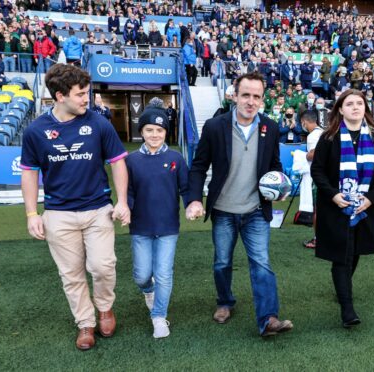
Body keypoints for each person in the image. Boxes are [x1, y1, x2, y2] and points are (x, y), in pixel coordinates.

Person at [20, 64, 130, 350]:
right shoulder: (35, 131)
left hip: (97, 210)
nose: (86, 99)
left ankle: (105, 307)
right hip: (58, 214)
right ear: (59, 96)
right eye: (80, 94)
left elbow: (118, 161)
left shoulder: (98, 123)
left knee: (103, 266)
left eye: (87, 92)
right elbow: (29, 172)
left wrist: (121, 201)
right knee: (71, 274)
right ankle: (85, 323)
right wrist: (32, 213)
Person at [185, 72, 293, 337]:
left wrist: (279, 185)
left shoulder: (271, 127)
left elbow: (274, 166)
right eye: (246, 95)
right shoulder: (214, 127)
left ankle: (268, 318)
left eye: (257, 96)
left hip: (255, 211)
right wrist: (195, 199)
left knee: (262, 263)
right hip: (223, 210)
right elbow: (199, 166)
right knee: (222, 262)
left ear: (262, 99)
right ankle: (225, 301)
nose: (251, 101)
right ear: (234, 95)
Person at [310, 89, 374, 328]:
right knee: (341, 256)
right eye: (349, 104)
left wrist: (371, 198)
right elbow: (318, 171)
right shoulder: (328, 137)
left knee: (354, 253)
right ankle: (347, 308)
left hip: (364, 207)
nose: (355, 107)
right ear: (340, 109)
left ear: (365, 108)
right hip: (335, 207)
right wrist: (334, 195)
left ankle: (342, 287)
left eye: (359, 103)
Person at [126, 105, 189, 339]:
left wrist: (192, 203)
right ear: (141, 131)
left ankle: (159, 317)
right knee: (142, 275)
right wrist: (125, 208)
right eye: (149, 129)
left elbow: (186, 187)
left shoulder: (175, 158)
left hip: (167, 227)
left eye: (160, 130)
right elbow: (127, 191)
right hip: (140, 227)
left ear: (166, 132)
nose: (155, 134)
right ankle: (148, 291)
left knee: (164, 273)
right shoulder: (131, 160)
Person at [301, 109, 324, 249]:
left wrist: (304, 156)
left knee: (318, 208)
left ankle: (317, 239)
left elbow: (313, 155)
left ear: (304, 122)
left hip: (319, 176)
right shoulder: (323, 131)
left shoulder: (313, 136)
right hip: (328, 175)